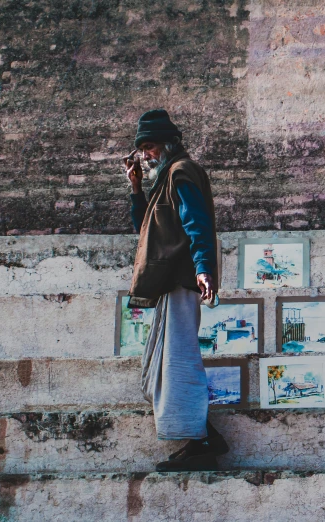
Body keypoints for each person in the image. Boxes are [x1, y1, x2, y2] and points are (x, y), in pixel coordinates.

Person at [124, 109, 228, 471]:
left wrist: (204, 269)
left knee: (178, 362)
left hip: (183, 282)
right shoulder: (164, 179)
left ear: (168, 144)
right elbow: (146, 232)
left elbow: (196, 223)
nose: (146, 155)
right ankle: (202, 435)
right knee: (159, 367)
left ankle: (200, 442)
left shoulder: (181, 172)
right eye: (143, 150)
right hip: (170, 285)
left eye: (150, 148)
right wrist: (136, 188)